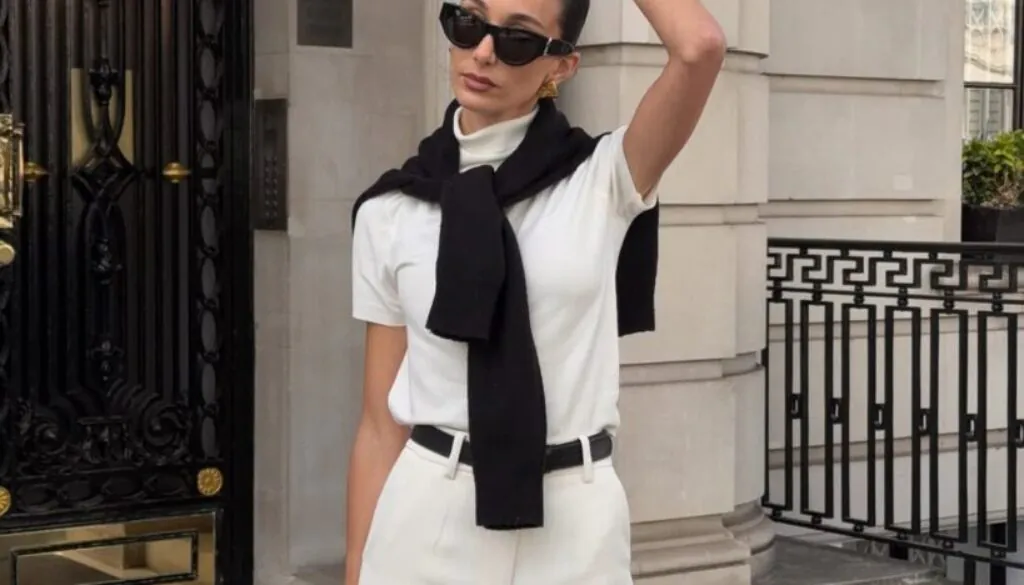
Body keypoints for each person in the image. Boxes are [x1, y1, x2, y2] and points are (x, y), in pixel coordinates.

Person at [346, 0, 725, 582]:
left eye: (518, 40)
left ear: (561, 67)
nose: (484, 52)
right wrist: (355, 569)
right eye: (467, 23)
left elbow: (698, 46)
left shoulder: (602, 179)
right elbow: (378, 426)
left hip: (574, 516)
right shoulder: (390, 210)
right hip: (428, 511)